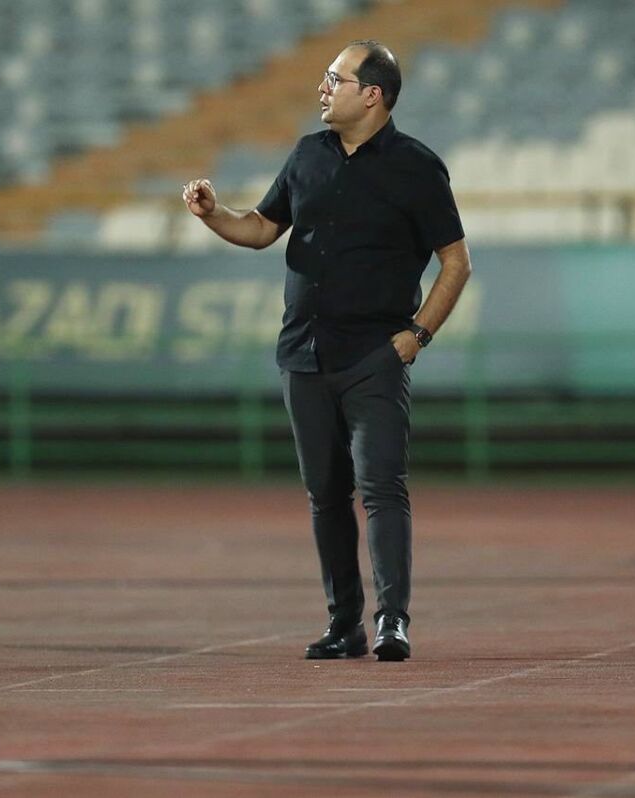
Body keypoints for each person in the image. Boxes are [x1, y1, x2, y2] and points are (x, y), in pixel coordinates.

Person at [182, 40, 472, 662]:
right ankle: (345, 624)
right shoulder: (307, 154)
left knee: (382, 488)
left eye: (335, 78)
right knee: (325, 495)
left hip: (374, 357)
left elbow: (457, 261)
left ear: (372, 95)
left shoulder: (418, 167)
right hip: (303, 355)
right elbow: (262, 227)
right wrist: (213, 213)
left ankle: (392, 619)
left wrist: (417, 335)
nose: (323, 87)